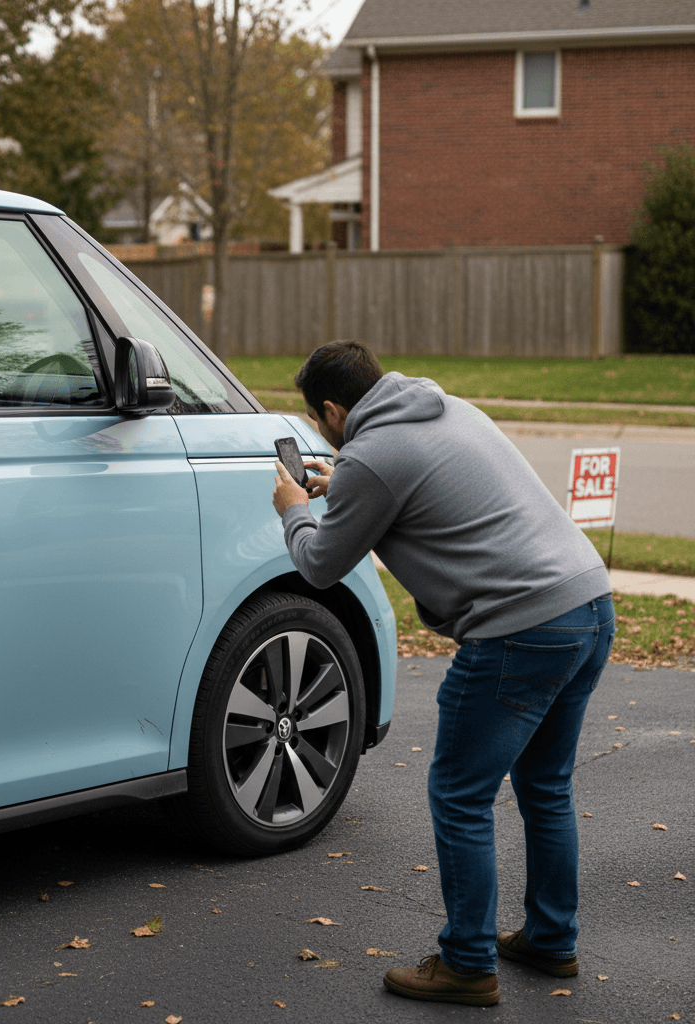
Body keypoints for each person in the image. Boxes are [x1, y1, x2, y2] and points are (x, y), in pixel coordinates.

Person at [270, 340, 615, 1008]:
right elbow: (418, 481)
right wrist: (341, 485)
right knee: (545, 786)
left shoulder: (370, 455)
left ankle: (466, 963)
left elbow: (318, 566)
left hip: (520, 629)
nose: (321, 432)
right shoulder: (445, 408)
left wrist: (293, 506)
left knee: (460, 794)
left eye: (319, 420)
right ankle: (551, 939)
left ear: (335, 410)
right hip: (587, 604)